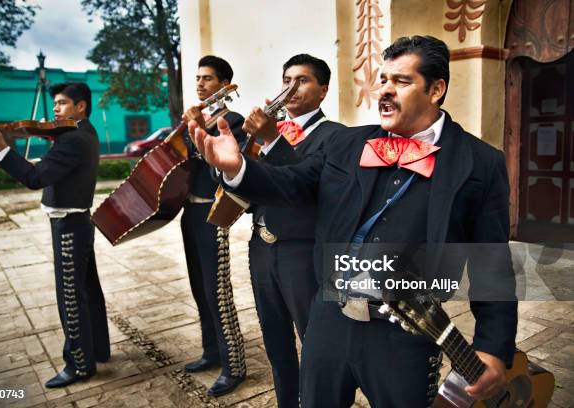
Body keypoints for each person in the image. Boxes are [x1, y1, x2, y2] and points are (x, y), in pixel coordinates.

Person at [189, 36, 517, 407]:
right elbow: (294, 182)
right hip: (330, 316)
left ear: (436, 89)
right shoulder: (348, 144)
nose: (386, 91)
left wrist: (493, 345)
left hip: (408, 331)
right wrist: (239, 169)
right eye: (383, 80)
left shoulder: (480, 163)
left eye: (402, 81)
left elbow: (492, 263)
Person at [0, 82, 110, 388]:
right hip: (79, 221)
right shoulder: (84, 133)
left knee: (70, 297)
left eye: (62, 103)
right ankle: (98, 350)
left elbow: (34, 178)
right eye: (55, 104)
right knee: (88, 291)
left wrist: (2, 145)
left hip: (68, 226)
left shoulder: (72, 139)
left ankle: (79, 365)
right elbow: (52, 169)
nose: (56, 109)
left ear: (81, 107)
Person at [241, 54, 344, 407]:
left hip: (302, 253)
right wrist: (230, 153)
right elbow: (242, 178)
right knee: (275, 340)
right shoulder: (273, 131)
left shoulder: (336, 137)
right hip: (261, 248)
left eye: (302, 80)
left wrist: (272, 141)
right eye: (287, 79)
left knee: (313, 341)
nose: (291, 87)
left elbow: (308, 187)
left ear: (323, 91)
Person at [179, 55, 247, 397]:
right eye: (198, 78)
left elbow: (217, 170)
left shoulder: (232, 121)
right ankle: (211, 351)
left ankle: (233, 364)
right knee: (197, 287)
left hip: (212, 214)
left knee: (217, 291)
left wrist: (197, 129)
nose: (200, 84)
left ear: (224, 85)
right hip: (188, 213)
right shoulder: (199, 119)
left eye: (208, 78)